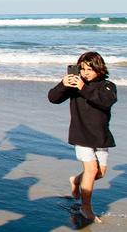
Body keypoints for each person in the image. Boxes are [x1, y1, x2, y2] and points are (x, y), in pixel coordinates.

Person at [48, 52, 117, 222]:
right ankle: (86, 208)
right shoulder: (74, 86)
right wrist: (63, 84)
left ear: (99, 69)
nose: (85, 73)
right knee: (91, 169)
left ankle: (76, 180)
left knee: (99, 173)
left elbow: (105, 101)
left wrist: (82, 88)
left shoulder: (108, 86)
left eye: (89, 69)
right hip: (81, 134)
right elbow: (53, 98)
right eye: (82, 69)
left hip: (101, 135)